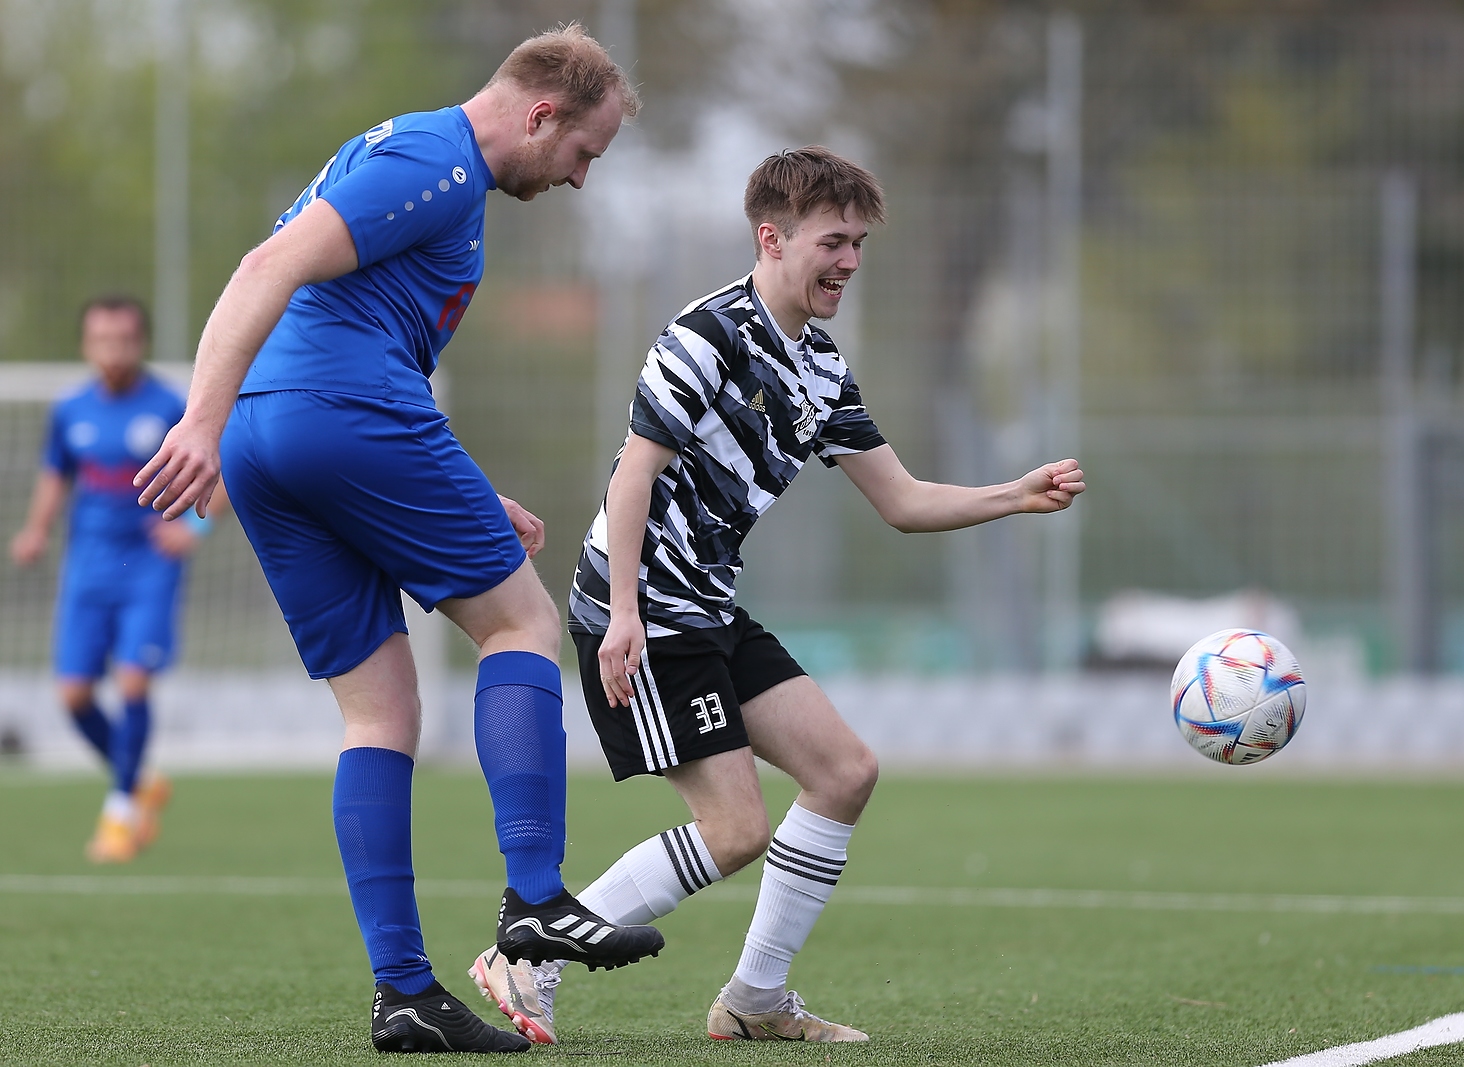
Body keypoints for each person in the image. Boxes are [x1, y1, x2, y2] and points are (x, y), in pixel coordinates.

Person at [470, 147, 1087, 1045]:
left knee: (844, 773)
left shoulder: (822, 367)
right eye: (834, 241)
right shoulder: (705, 335)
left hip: (707, 602)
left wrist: (1013, 494)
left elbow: (903, 501)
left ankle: (755, 998)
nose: (849, 262)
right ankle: (528, 953)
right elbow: (633, 476)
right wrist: (630, 613)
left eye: (859, 244)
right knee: (733, 826)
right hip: (641, 603)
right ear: (773, 237)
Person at [132, 24, 663, 1055]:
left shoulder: (412, 160)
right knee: (520, 621)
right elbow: (267, 263)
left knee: (378, 711)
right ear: (542, 113)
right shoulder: (439, 160)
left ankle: (405, 991)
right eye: (584, 152)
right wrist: (194, 416)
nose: (582, 178)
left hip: (275, 432)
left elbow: (358, 323)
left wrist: (457, 479)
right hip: (320, 411)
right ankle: (537, 898)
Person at [10, 297, 214, 863]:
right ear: (85, 345)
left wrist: (193, 532)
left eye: (123, 339)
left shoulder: (172, 406)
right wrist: (35, 530)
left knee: (131, 683)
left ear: (141, 343)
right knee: (73, 695)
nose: (113, 350)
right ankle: (139, 777)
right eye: (102, 339)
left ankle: (121, 811)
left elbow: (219, 467)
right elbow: (57, 475)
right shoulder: (70, 410)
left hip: (148, 565)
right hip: (87, 566)